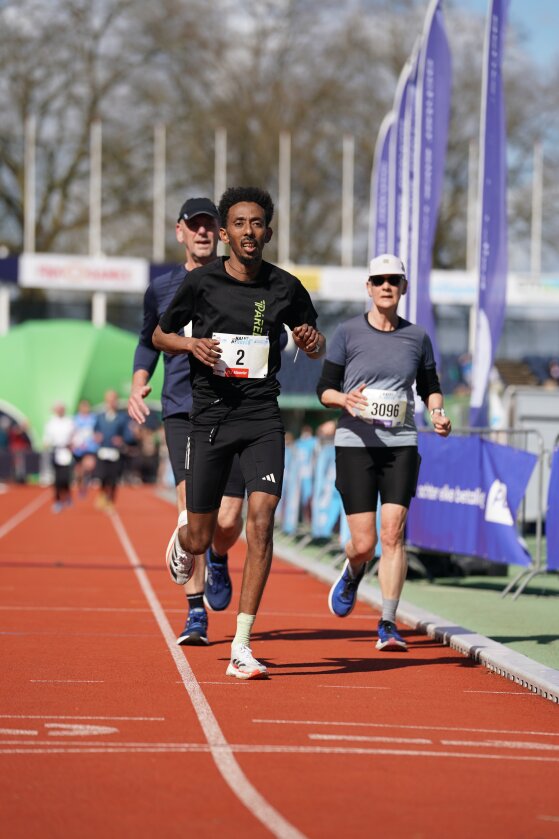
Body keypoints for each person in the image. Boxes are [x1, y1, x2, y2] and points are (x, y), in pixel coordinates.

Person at [153, 185, 325, 679]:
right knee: (202, 535)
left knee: (261, 522)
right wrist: (191, 345)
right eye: (239, 224)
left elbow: (315, 344)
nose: (249, 231)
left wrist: (311, 341)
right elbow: (160, 334)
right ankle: (183, 539)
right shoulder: (201, 283)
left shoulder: (286, 287)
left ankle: (242, 645)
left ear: (268, 232)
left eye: (257, 224)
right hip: (211, 418)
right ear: (225, 233)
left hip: (261, 416)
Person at [316, 253, 451, 651]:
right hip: (356, 445)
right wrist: (345, 399)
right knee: (365, 544)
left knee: (393, 534)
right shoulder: (347, 332)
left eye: (394, 280)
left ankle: (388, 622)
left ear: (404, 287)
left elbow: (430, 387)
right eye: (379, 280)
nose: (386, 286)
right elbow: (323, 390)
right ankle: (354, 569)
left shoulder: (417, 337)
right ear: (369, 287)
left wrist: (438, 413)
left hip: (400, 444)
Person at [128, 197, 245, 647]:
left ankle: (219, 556)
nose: (201, 233)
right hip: (182, 410)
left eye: (208, 225)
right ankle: (195, 613)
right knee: (190, 509)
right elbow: (147, 341)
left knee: (227, 519)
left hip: (232, 408)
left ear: (220, 233)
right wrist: (139, 382)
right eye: (193, 226)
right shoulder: (161, 289)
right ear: (180, 232)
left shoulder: (239, 280)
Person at [93, 389, 129, 513]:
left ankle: (111, 500)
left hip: (115, 452)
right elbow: (95, 430)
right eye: (109, 400)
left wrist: (121, 439)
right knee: (102, 476)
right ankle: (102, 495)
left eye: (113, 400)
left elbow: (127, 434)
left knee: (113, 478)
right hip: (103, 451)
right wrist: (96, 436)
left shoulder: (122, 418)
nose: (111, 402)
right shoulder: (100, 417)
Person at [43, 402, 75, 512]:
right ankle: (57, 500)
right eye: (58, 409)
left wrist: (73, 444)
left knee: (66, 477)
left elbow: (74, 436)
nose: (60, 411)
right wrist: (47, 444)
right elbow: (47, 438)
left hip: (66, 451)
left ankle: (67, 494)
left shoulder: (69, 422)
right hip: (55, 452)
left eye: (61, 409)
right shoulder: (51, 423)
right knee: (57, 478)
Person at [71, 399, 98, 497]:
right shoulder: (75, 419)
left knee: (88, 466)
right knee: (78, 470)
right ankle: (80, 485)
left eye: (86, 406)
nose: (85, 408)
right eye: (83, 406)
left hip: (90, 448)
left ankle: (87, 482)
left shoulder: (94, 418)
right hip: (77, 449)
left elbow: (97, 432)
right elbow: (71, 433)